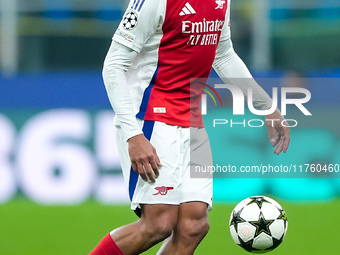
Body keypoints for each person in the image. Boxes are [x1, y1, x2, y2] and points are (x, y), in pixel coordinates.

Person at [90, 0, 290, 254]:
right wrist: (133, 134)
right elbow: (113, 65)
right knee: (158, 224)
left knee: (193, 225)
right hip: (151, 118)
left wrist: (265, 105)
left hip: (192, 120)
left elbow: (223, 54)